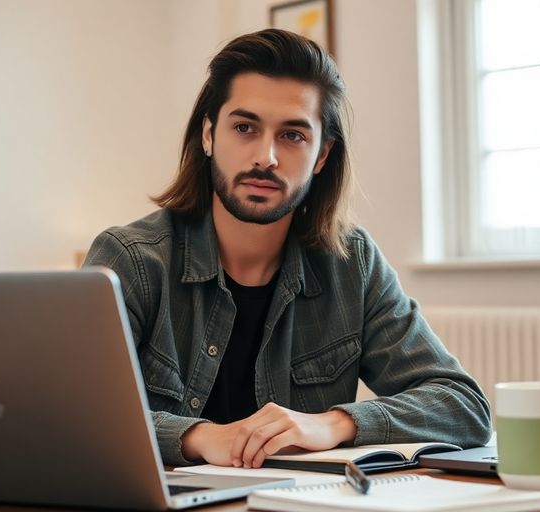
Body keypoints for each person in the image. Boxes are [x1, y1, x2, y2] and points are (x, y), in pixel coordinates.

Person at [83, 29, 490, 468]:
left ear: (321, 156)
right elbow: (74, 412)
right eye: (244, 127)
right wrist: (198, 437)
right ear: (208, 136)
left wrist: (334, 424)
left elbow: (462, 405)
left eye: (292, 136)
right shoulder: (131, 260)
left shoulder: (352, 263)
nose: (266, 157)